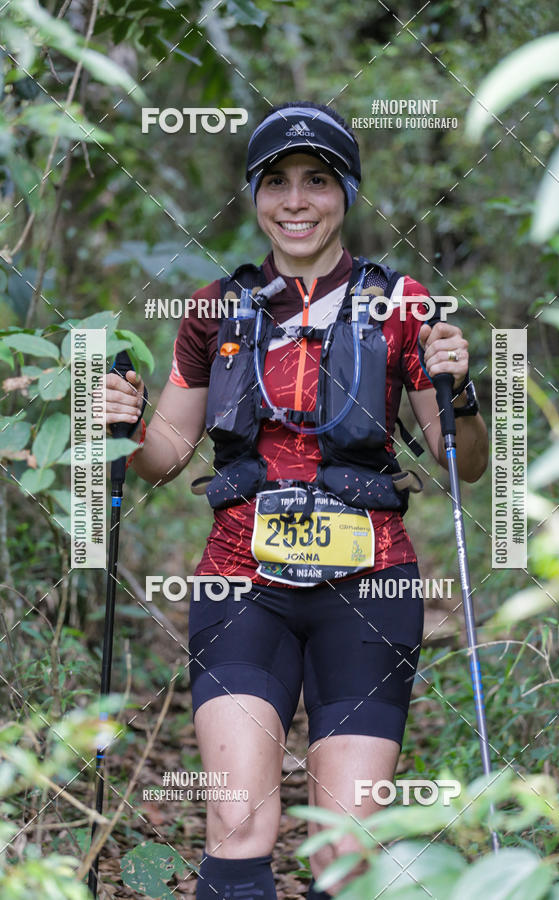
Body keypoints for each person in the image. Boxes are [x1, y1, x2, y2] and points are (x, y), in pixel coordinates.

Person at [105, 101, 488, 900]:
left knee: (343, 857)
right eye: (276, 182)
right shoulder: (216, 308)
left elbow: (468, 467)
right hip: (242, 584)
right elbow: (164, 457)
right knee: (239, 827)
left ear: (346, 191)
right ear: (254, 195)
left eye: (317, 180)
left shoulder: (403, 304)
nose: (296, 200)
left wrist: (464, 390)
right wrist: (120, 423)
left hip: (371, 589)